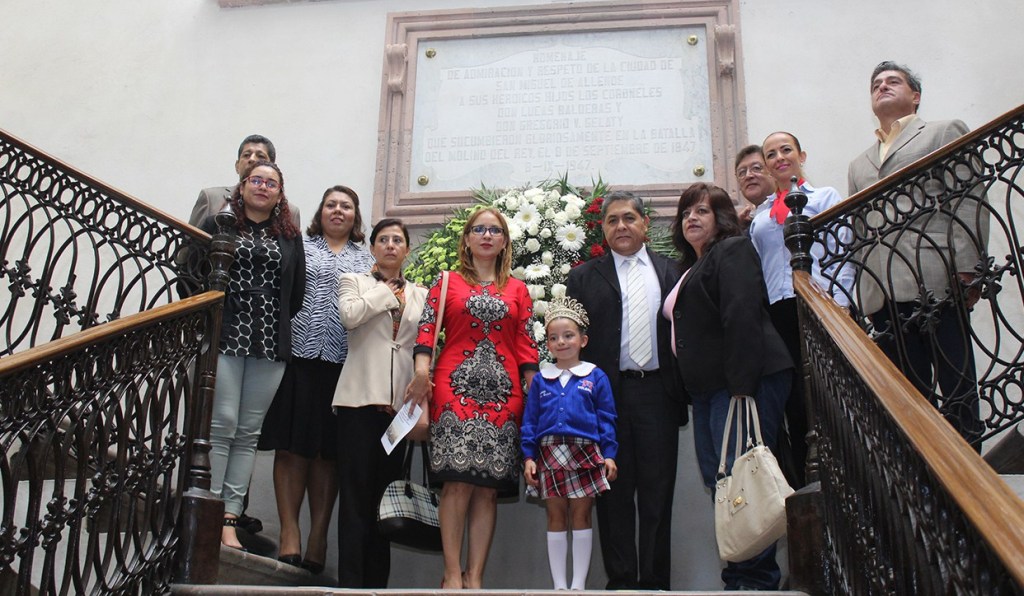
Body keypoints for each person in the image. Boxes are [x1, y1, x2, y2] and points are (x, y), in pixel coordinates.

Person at [847, 60, 986, 444]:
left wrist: (968, 265)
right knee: (908, 398)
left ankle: (971, 472)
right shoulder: (859, 163)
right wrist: (865, 293)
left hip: (936, 277)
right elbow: (860, 231)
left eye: (893, 81)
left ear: (916, 96)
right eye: (876, 84)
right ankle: (925, 482)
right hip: (884, 295)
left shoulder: (942, 132)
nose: (883, 86)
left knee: (956, 384)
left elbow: (968, 196)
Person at [665, 182, 793, 590]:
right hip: (709, 389)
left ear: (720, 218)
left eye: (702, 211)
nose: (691, 218)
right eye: (686, 212)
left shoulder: (732, 250)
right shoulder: (694, 265)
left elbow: (740, 316)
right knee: (722, 481)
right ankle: (741, 574)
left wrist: (742, 387)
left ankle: (754, 581)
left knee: (744, 479)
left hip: (739, 384)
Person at [405, 208, 539, 590]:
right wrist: (420, 371)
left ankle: (475, 576)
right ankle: (451, 574)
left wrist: (537, 393)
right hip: (453, 390)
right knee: (457, 483)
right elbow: (427, 329)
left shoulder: (517, 289)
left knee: (488, 489)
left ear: (504, 242)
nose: (485, 235)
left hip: (505, 396)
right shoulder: (446, 281)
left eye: (494, 230)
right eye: (478, 229)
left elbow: (526, 344)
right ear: (466, 239)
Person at [565, 191, 684, 591]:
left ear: (645, 223)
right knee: (612, 493)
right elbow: (571, 342)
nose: (621, 226)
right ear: (602, 228)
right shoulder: (583, 276)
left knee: (657, 492)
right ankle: (621, 582)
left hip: (657, 395)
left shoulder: (672, 272)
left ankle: (654, 582)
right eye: (613, 220)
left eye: (629, 218)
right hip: (606, 401)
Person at [257, 185, 373, 573]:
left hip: (345, 364)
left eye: (346, 206)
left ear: (356, 216)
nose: (338, 211)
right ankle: (290, 532)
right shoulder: (299, 246)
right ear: (320, 212)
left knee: (328, 454)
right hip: (298, 359)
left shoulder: (368, 258)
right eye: (331, 205)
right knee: (291, 448)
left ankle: (318, 537)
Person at [197, 160, 305, 550]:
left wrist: (270, 319)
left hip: (269, 341)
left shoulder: (290, 237)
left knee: (249, 433)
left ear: (280, 194)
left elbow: (296, 293)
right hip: (226, 334)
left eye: (271, 182)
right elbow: (191, 270)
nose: (262, 187)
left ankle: (229, 518)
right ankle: (205, 515)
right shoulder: (219, 224)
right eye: (255, 180)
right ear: (241, 187)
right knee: (222, 425)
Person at [747, 131, 853, 487]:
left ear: (801, 155)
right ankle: (807, 477)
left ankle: (838, 467)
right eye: (771, 153)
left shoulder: (823, 197)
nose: (779, 157)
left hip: (819, 301)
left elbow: (843, 252)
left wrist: (844, 302)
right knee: (793, 393)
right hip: (778, 309)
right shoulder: (760, 216)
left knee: (825, 387)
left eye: (786, 150)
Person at [333, 218, 427, 588]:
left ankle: (376, 584)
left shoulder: (421, 294)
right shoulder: (353, 282)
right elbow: (350, 316)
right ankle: (350, 584)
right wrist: (385, 292)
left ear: (406, 249)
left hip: (399, 411)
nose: (390, 245)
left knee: (384, 501)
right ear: (372, 248)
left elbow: (424, 344)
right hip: (358, 403)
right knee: (354, 497)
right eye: (383, 240)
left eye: (398, 240)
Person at [521, 297, 618, 591]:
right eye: (554, 338)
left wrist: (609, 454)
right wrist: (529, 456)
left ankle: (578, 585)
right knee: (555, 514)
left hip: (585, 452)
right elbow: (530, 421)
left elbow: (607, 418)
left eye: (568, 335)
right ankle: (559, 585)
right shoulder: (541, 380)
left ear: (583, 339)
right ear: (547, 345)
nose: (561, 342)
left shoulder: (595, 376)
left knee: (581, 513)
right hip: (549, 453)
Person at [188, 134, 301, 228]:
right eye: (247, 155)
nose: (252, 159)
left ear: (272, 167)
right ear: (237, 166)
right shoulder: (211, 199)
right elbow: (188, 249)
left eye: (260, 156)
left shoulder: (291, 212)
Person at [734, 144, 776, 229]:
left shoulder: (792, 207)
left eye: (756, 168)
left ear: (772, 172)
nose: (748, 175)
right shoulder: (745, 224)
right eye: (742, 172)